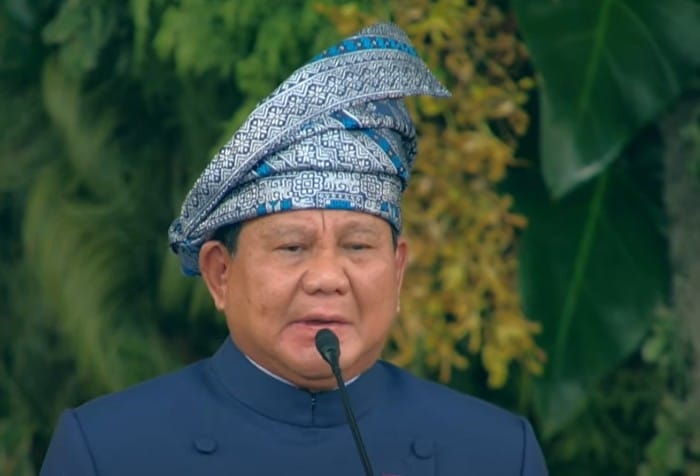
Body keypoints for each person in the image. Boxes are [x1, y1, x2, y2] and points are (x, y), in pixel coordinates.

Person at [40, 23, 548, 475]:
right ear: (220, 273)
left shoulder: (498, 454)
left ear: (397, 273)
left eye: (357, 245)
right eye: (291, 247)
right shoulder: (109, 451)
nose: (327, 278)